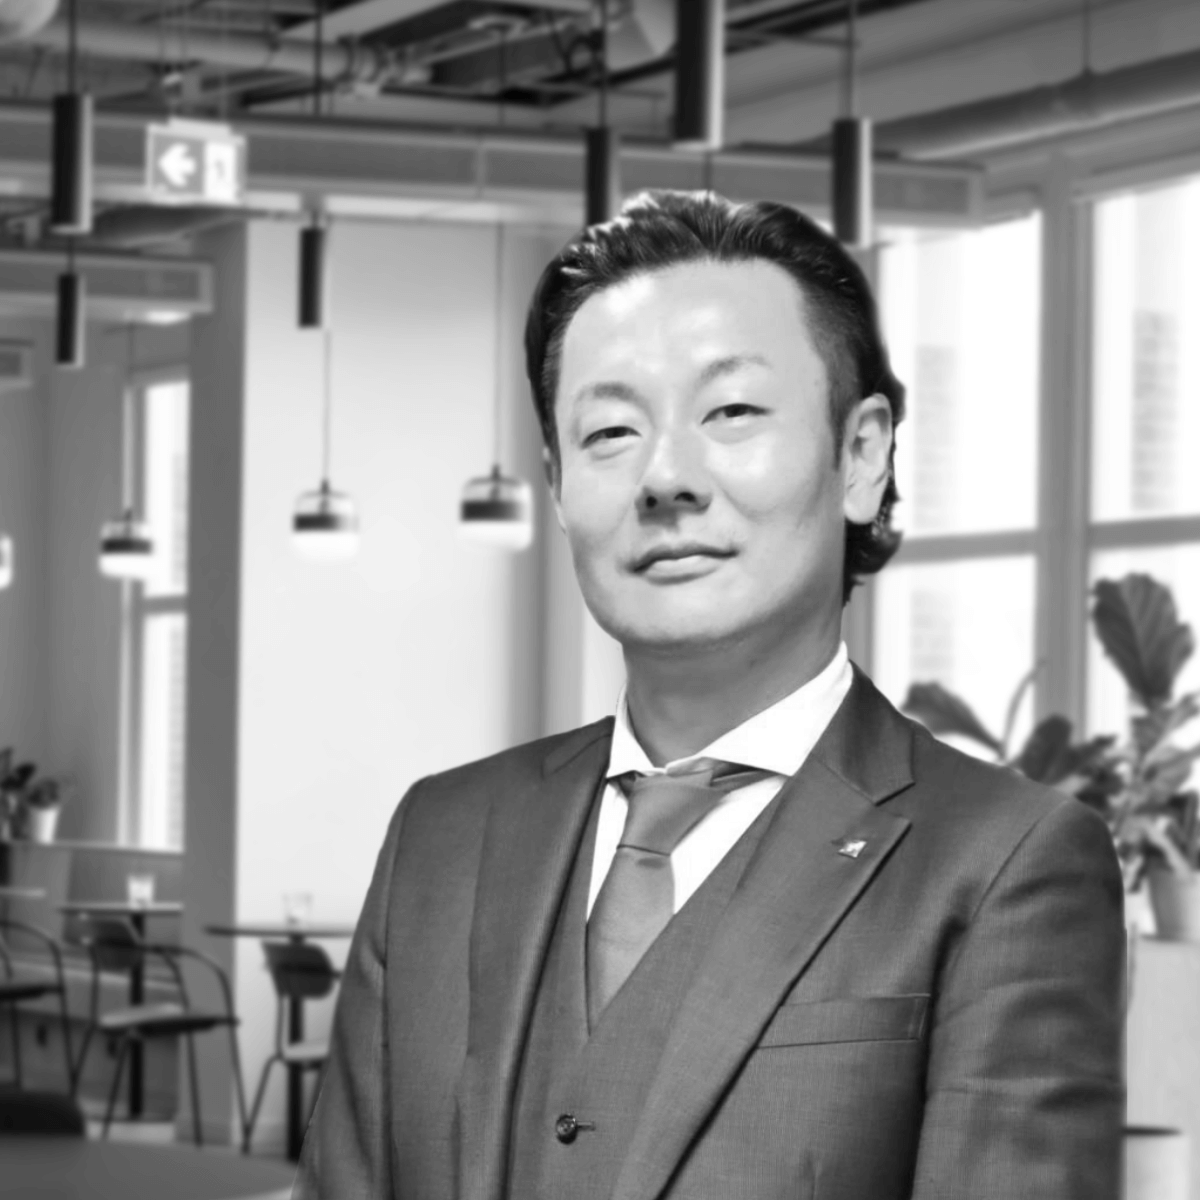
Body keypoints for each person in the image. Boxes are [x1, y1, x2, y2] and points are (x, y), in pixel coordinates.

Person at [295, 191, 1124, 1200]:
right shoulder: (442, 837)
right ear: (557, 484)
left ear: (862, 456)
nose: (666, 478)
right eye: (610, 431)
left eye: (731, 412)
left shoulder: (1007, 864)